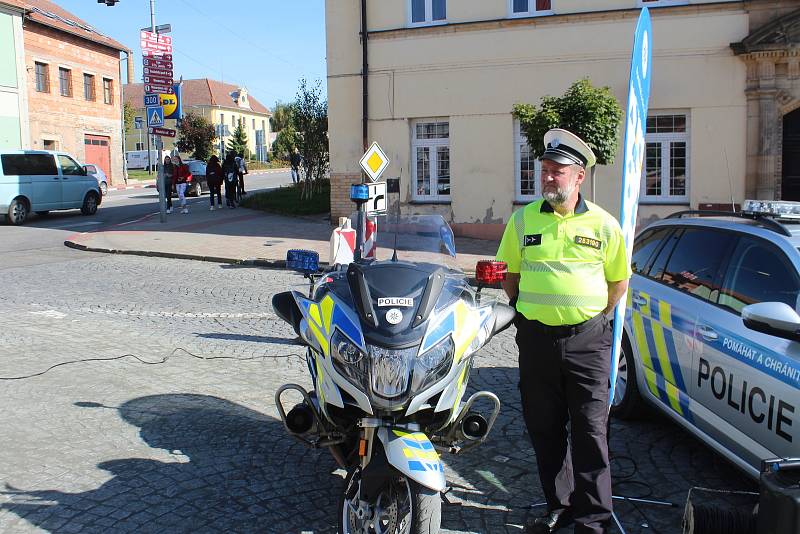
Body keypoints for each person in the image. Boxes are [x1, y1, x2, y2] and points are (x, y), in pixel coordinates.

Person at [495, 129, 631, 534]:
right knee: (543, 425)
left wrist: (593, 318)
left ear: (579, 177)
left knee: (590, 429)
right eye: (545, 171)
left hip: (587, 341)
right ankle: (561, 503)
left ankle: (593, 519)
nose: (548, 178)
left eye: (557, 171)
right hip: (536, 340)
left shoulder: (604, 225)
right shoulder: (523, 220)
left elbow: (618, 283)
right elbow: (511, 276)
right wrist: (533, 312)